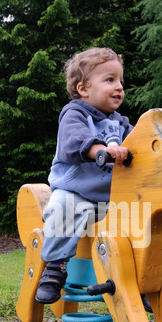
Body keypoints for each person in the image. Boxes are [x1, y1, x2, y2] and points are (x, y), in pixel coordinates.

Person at [35, 47, 133, 304]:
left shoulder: (121, 123)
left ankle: (140, 280)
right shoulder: (75, 113)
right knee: (61, 207)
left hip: (109, 199)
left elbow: (140, 141)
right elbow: (74, 139)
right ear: (83, 89)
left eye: (121, 80)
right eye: (110, 80)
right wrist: (101, 150)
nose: (119, 87)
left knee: (140, 217)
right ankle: (55, 267)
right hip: (75, 191)